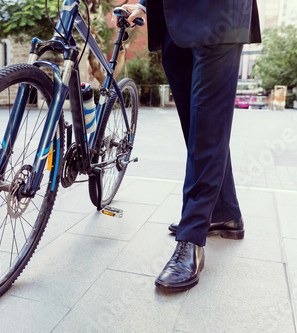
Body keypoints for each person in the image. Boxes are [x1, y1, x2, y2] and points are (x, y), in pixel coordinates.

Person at [121, 0, 261, 291]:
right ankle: (226, 215)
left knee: (207, 129)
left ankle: (191, 238)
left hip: (218, 13)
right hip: (173, 21)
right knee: (200, 129)